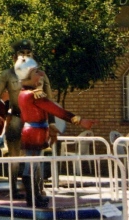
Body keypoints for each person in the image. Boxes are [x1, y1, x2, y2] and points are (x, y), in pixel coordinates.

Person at [16, 56, 96, 208]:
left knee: (32, 166)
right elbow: (56, 110)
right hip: (35, 132)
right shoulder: (35, 94)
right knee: (32, 167)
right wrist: (79, 120)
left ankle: (34, 197)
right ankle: (33, 198)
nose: (41, 74)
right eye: (36, 72)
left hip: (31, 130)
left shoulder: (22, 93)